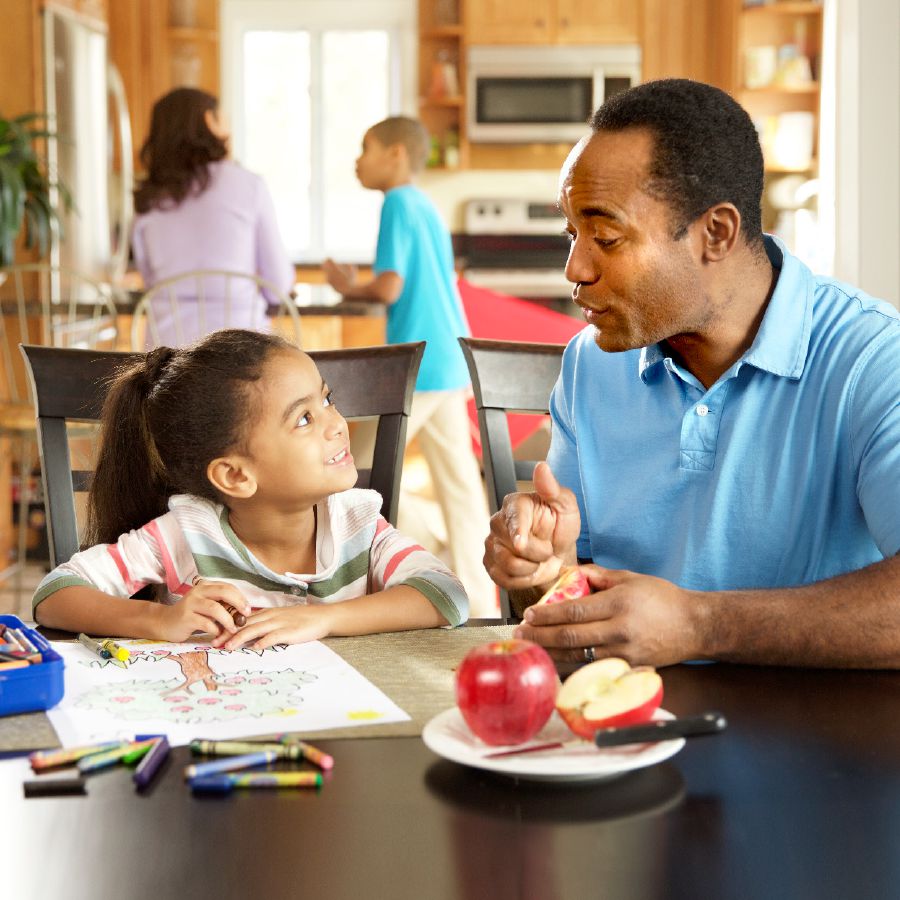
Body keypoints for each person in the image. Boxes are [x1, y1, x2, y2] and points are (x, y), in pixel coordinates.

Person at [483, 79, 900, 669]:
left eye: (605, 236)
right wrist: (543, 569)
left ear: (717, 234)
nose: (574, 267)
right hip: (627, 726)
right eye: (572, 234)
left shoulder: (874, 360)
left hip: (823, 739)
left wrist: (699, 625)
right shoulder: (590, 363)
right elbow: (566, 593)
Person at [32, 329, 468, 647]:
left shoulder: (358, 525)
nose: (337, 424)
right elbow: (55, 595)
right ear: (236, 476)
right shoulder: (185, 535)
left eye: (328, 399)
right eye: (304, 419)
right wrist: (160, 620)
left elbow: (446, 595)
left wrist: (324, 620)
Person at [322, 116, 497, 616]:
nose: (358, 159)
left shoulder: (397, 202)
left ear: (395, 154)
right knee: (461, 487)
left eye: (365, 147)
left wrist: (347, 286)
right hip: (449, 354)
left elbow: (389, 288)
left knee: (354, 472)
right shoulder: (424, 204)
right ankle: (480, 600)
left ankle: (367, 575)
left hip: (419, 363)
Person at [131, 87, 294, 346]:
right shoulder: (249, 185)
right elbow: (279, 285)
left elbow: (150, 279)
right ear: (209, 120)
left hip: (167, 356)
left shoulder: (149, 197)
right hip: (241, 350)